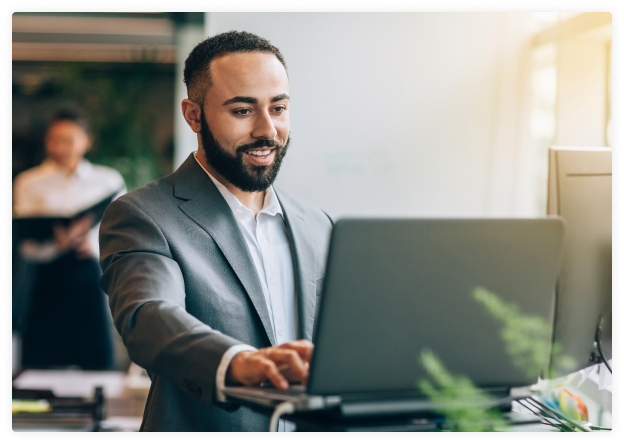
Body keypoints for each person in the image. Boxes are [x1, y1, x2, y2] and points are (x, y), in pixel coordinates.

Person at [99, 31, 333, 432]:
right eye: (242, 111)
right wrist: (238, 363)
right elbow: (149, 316)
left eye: (278, 108)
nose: (267, 130)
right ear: (193, 115)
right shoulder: (143, 215)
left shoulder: (319, 226)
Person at [13, 108, 125, 370]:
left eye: (69, 139)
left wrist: (93, 243)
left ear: (87, 140)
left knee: (96, 360)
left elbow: (123, 235)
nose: (61, 147)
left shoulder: (108, 181)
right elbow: (26, 243)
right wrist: (57, 242)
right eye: (54, 139)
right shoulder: (28, 182)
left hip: (91, 275)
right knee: (41, 364)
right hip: (46, 279)